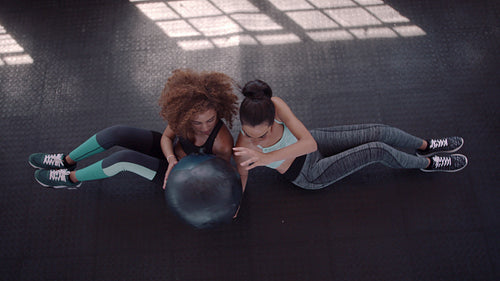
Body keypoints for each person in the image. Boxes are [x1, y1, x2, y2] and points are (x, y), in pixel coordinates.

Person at [233, 80, 468, 192]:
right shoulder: (244, 143)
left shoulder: (274, 104)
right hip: (309, 174)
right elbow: (242, 172)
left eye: (262, 135)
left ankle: (425, 145)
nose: (256, 141)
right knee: (378, 149)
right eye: (249, 133)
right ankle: (427, 162)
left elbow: (309, 143)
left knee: (380, 131)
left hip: (315, 144)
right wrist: (236, 200)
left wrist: (267, 156)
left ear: (273, 118)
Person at [29, 69, 239, 190]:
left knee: (123, 159)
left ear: (218, 113)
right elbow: (167, 137)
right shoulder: (183, 117)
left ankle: (70, 179)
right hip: (170, 159)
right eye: (197, 123)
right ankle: (66, 161)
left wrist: (177, 168)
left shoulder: (222, 142)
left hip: (178, 175)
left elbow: (217, 177)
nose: (204, 127)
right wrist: (170, 157)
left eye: (210, 120)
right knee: (117, 132)